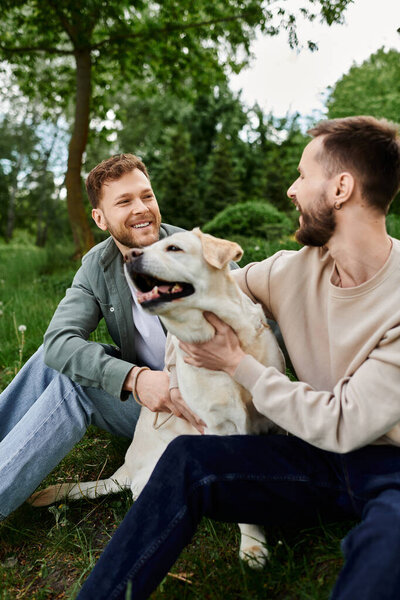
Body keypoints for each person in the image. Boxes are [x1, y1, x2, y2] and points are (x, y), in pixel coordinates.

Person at [76, 116, 400, 600]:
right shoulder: (293, 271)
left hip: (389, 468)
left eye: (302, 176)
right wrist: (180, 352)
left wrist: (235, 363)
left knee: (385, 552)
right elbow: (216, 287)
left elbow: (344, 424)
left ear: (341, 188)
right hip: (310, 458)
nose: (291, 190)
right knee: (188, 458)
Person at [0, 153, 202, 521]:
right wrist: (136, 378)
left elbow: (259, 324)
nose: (141, 209)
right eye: (124, 202)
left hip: (202, 408)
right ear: (100, 217)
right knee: (51, 360)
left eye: (147, 196)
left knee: (74, 385)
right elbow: (58, 342)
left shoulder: (198, 250)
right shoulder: (98, 264)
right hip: (149, 399)